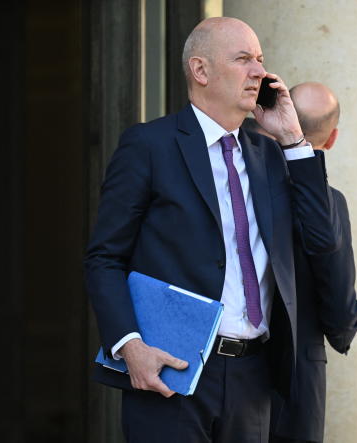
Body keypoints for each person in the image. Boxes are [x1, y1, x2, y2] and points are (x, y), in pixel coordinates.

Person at [84, 18, 341, 443]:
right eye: (243, 60)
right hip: (171, 371)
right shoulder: (148, 146)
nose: (260, 72)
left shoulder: (272, 156)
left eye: (260, 60)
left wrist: (295, 141)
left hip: (254, 378)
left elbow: (322, 240)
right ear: (200, 71)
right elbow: (104, 258)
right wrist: (129, 346)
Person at [269, 82, 357, 443]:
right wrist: (348, 321)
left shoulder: (244, 182)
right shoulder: (330, 203)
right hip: (297, 382)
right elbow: (338, 298)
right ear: (333, 138)